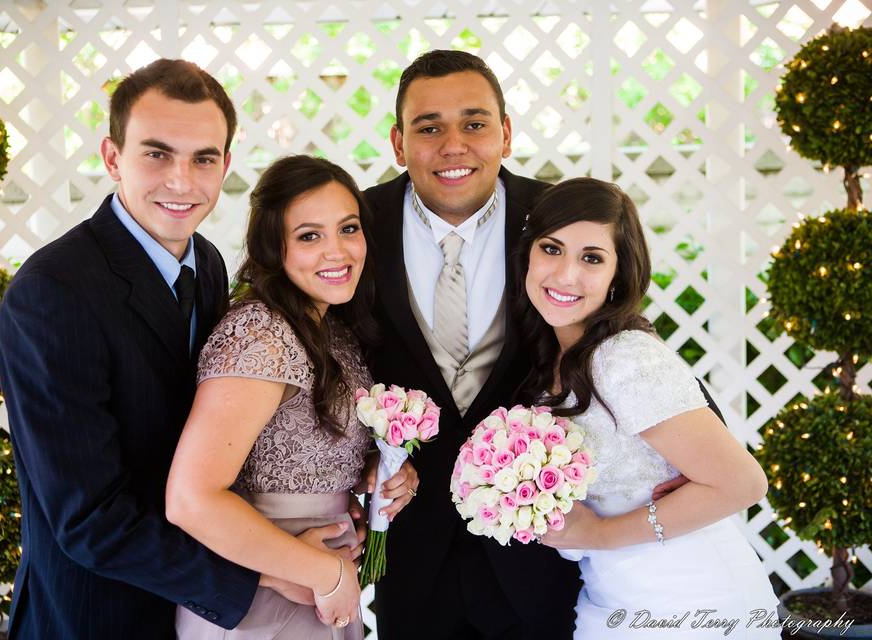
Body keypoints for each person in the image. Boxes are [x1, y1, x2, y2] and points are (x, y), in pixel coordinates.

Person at [0, 60, 313, 639]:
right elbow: (90, 521)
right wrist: (267, 572)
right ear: (112, 156)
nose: (182, 181)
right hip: (96, 616)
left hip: (194, 617)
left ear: (226, 165)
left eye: (204, 158)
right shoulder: (51, 293)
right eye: (157, 153)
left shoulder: (210, 265)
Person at [362, 49, 581, 639]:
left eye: (474, 123)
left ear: (505, 134)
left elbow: (609, 342)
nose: (452, 144)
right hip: (410, 551)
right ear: (398, 143)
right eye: (428, 128)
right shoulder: (356, 223)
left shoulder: (559, 218)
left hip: (536, 550)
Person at [166, 155, 418, 639]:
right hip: (265, 595)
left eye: (348, 229)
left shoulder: (332, 329)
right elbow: (190, 500)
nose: (337, 251)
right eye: (309, 236)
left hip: (318, 582)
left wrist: (381, 468)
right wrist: (326, 572)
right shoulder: (260, 334)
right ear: (272, 247)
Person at [518, 178, 779, 638]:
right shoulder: (551, 364)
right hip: (611, 599)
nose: (565, 275)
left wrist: (596, 535)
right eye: (551, 249)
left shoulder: (624, 356)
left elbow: (743, 483)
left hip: (692, 601)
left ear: (619, 276)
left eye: (592, 258)